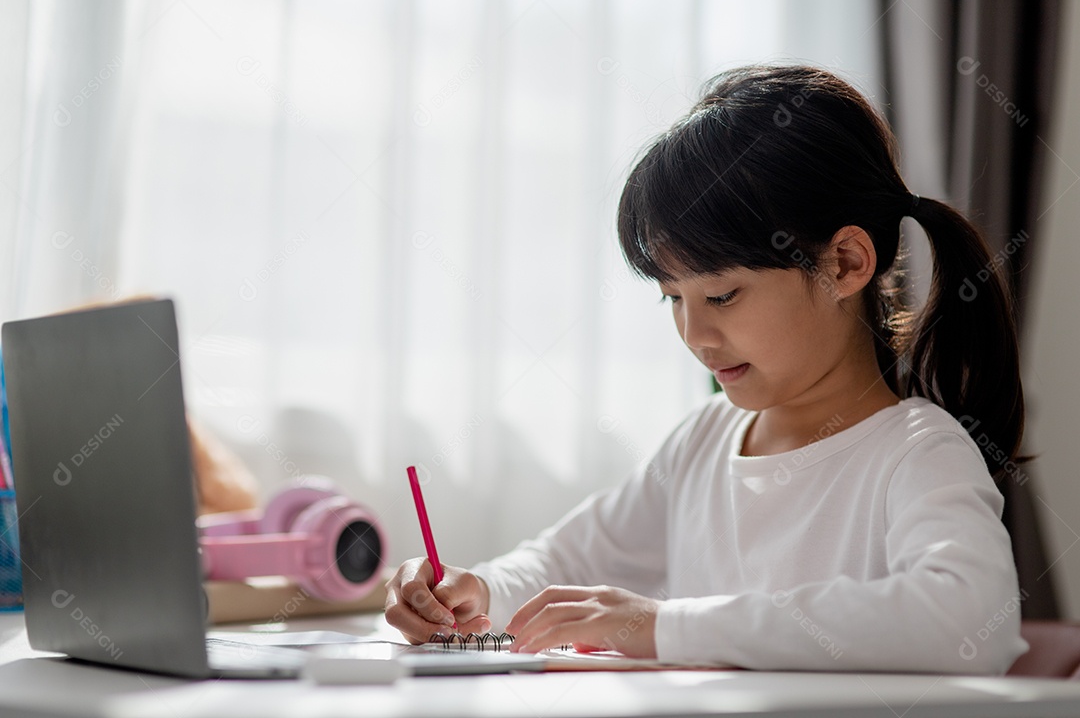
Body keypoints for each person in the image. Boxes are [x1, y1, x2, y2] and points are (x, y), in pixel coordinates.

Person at [384, 65, 1029, 674]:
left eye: (722, 295)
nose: (693, 334)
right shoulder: (701, 442)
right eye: (673, 298)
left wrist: (666, 627)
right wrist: (476, 592)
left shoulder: (915, 451)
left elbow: (969, 619)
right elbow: (563, 561)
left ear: (845, 263)